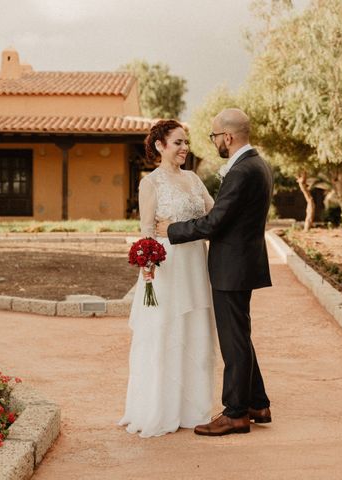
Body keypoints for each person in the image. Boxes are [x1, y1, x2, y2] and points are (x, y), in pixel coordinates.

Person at [156, 108, 273, 436]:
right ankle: (258, 402)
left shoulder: (242, 171)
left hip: (232, 267)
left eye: (214, 137)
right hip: (243, 264)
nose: (214, 143)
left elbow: (215, 221)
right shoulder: (258, 165)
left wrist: (173, 231)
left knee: (233, 340)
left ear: (228, 137)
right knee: (240, 334)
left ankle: (235, 413)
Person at [119, 119, 217, 438]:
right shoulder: (151, 183)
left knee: (195, 329)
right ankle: (160, 408)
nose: (184, 147)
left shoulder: (193, 178)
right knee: (166, 330)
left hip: (195, 265)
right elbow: (146, 230)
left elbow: (214, 215)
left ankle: (192, 409)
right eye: (177, 142)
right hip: (167, 267)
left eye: (186, 142)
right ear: (160, 146)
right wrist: (147, 266)